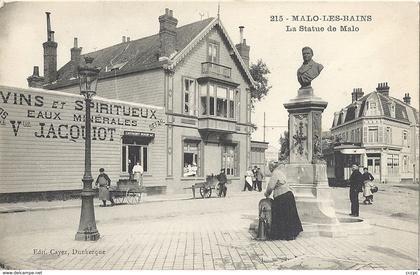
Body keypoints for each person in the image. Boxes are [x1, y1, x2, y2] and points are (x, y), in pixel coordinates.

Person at [264, 161, 303, 240]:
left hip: (281, 196)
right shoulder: (280, 172)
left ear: (272, 167)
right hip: (288, 195)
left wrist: (266, 194)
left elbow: (270, 186)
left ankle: (281, 235)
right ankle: (291, 234)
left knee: (280, 215)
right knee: (290, 215)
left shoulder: (275, 173)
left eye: (269, 167)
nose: (269, 169)